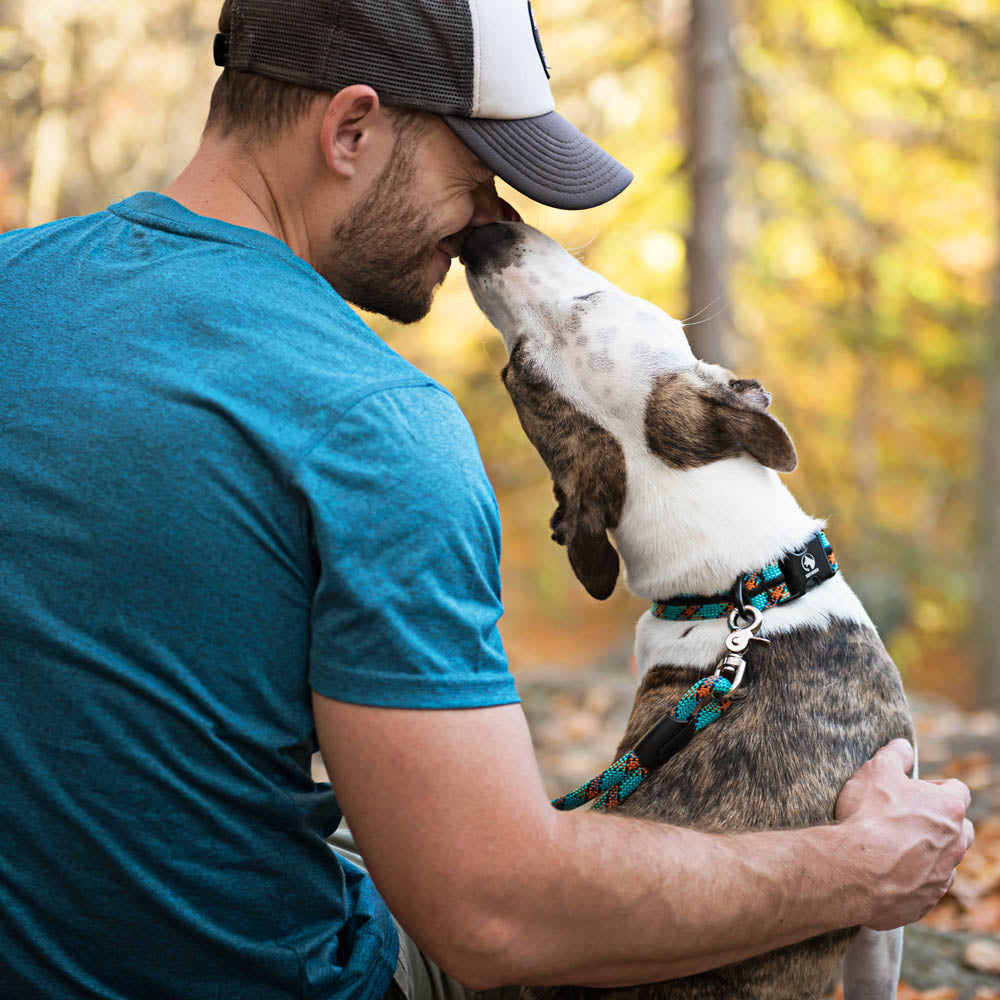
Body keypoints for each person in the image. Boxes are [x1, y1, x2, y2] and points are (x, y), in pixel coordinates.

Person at [0, 1, 972, 998]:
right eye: (472, 178)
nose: (487, 221)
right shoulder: (372, 426)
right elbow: (498, 916)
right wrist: (856, 866)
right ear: (349, 130)